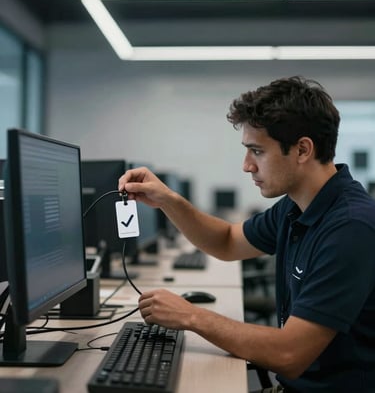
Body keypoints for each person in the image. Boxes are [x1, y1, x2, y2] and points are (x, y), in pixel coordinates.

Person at [118, 76, 375, 393]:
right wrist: (168, 201)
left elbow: (289, 353)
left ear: (302, 150)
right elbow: (227, 241)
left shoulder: (350, 228)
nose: (246, 166)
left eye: (257, 151)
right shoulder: (295, 208)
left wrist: (191, 317)